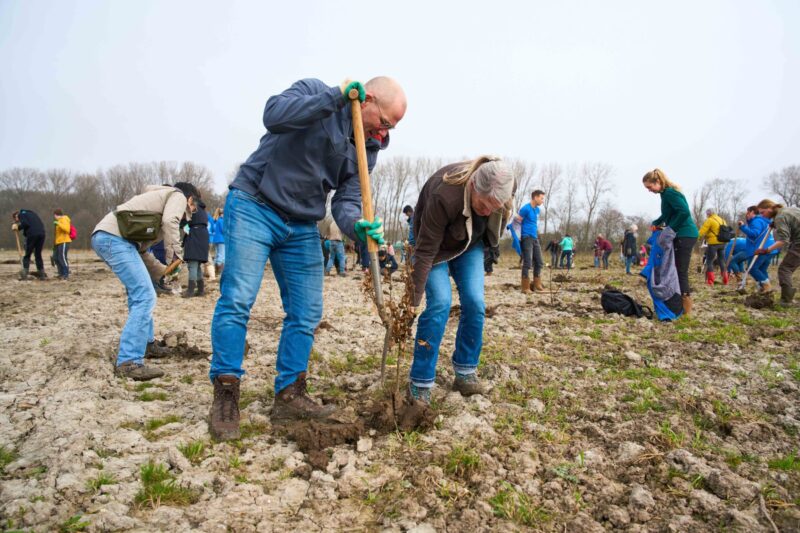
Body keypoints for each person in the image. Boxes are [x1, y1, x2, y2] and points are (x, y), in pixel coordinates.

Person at [208, 77, 406, 440]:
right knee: (237, 300)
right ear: (369, 99)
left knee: (307, 312)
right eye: (386, 121)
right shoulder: (316, 92)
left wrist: (357, 228)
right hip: (255, 204)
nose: (386, 131)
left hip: (301, 225)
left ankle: (290, 394)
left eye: (392, 127)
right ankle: (225, 390)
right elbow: (274, 115)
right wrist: (333, 98)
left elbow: (345, 202)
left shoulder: (369, 147)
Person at [407, 156, 514, 404]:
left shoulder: (506, 185)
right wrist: (412, 300)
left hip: (468, 243)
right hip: (432, 245)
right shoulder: (445, 194)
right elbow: (424, 252)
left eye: (494, 207)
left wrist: (490, 246)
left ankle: (465, 371)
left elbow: (496, 219)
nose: (487, 211)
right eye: (483, 205)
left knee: (476, 303)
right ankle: (420, 382)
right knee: (440, 303)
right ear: (473, 186)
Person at [91, 183, 199, 381]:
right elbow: (170, 222)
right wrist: (175, 257)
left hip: (110, 239)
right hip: (114, 240)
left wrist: (163, 275)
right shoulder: (178, 196)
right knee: (145, 296)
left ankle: (147, 344)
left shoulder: (153, 207)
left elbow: (141, 252)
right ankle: (129, 362)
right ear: (191, 200)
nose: (191, 213)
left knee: (140, 294)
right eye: (194, 208)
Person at [642, 168, 699, 315]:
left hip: (685, 234)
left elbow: (684, 212)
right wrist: (657, 221)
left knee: (680, 271)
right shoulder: (664, 194)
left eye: (649, 187)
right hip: (680, 234)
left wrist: (671, 229)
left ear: (658, 182)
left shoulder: (670, 193)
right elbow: (667, 214)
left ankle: (686, 310)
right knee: (675, 270)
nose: (649, 190)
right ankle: (678, 307)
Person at [754, 199, 800, 305]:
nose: (762, 216)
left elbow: (783, 240)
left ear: (770, 208)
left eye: (762, 212)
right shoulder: (789, 209)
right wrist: (775, 224)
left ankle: (786, 300)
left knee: (785, 269)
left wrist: (767, 250)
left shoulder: (780, 217)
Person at [736, 206, 777, 292]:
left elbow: (754, 233)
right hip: (769, 248)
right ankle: (762, 289)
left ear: (752, 212)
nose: (746, 214)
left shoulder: (757, 221)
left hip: (761, 249)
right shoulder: (763, 221)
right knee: (761, 270)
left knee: (752, 269)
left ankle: (766, 286)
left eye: (748, 212)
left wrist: (743, 227)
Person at [516, 190, 546, 292]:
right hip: (526, 237)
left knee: (539, 262)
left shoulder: (537, 210)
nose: (542, 201)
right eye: (541, 198)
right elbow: (517, 222)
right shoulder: (525, 209)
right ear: (535, 197)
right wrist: (518, 237)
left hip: (535, 237)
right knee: (527, 262)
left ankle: (537, 283)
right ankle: (525, 287)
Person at [182, 200, 210, 297]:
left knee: (193, 264)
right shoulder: (203, 211)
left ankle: (190, 290)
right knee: (197, 265)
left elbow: (184, 222)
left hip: (195, 235)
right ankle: (201, 290)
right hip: (202, 235)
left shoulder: (194, 208)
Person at [11, 209, 47, 280]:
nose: (18, 221)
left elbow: (25, 224)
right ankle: (42, 275)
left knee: (28, 254)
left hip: (33, 234)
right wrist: (23, 231)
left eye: (17, 220)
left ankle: (24, 274)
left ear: (16, 216)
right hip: (42, 233)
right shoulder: (32, 213)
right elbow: (29, 225)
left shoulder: (21, 214)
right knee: (38, 254)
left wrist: (18, 227)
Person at [698, 208, 729, 285]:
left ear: (709, 213)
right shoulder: (722, 220)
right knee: (722, 260)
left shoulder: (709, 220)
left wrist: (697, 237)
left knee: (709, 261)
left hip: (713, 244)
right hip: (723, 243)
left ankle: (710, 281)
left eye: (707, 214)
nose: (706, 215)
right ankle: (725, 279)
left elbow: (702, 231)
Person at [53, 209, 72, 280]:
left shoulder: (64, 219)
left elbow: (67, 229)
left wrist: (58, 224)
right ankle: (60, 273)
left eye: (54, 215)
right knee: (56, 257)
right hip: (58, 242)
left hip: (64, 241)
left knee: (62, 257)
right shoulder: (58, 221)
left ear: (56, 215)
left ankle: (66, 274)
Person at [210, 207, 225, 276]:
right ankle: (219, 271)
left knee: (216, 255)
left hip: (216, 240)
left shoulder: (217, 220)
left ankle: (213, 270)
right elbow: (223, 230)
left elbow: (213, 229)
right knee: (221, 255)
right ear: (222, 214)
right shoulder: (222, 220)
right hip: (222, 240)